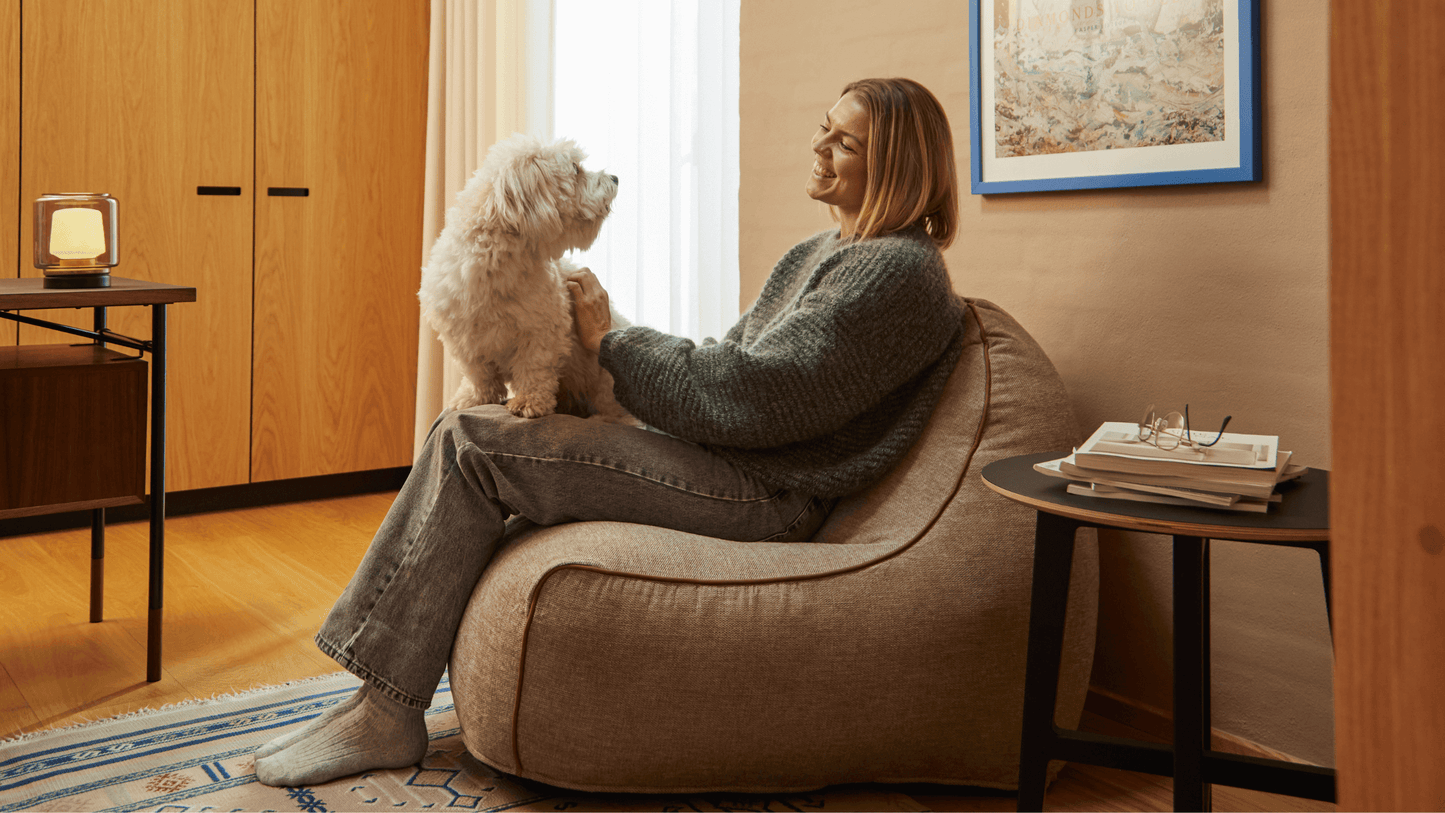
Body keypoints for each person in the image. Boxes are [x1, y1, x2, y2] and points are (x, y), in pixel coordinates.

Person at [254, 76, 967, 787]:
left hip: (767, 494)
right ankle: (377, 696)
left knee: (475, 442)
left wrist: (611, 342)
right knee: (463, 424)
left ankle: (385, 710)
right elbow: (733, 361)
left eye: (844, 143)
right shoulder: (827, 250)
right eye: (824, 125)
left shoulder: (895, 272)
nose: (818, 145)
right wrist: (613, 341)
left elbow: (754, 395)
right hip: (728, 462)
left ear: (897, 167)